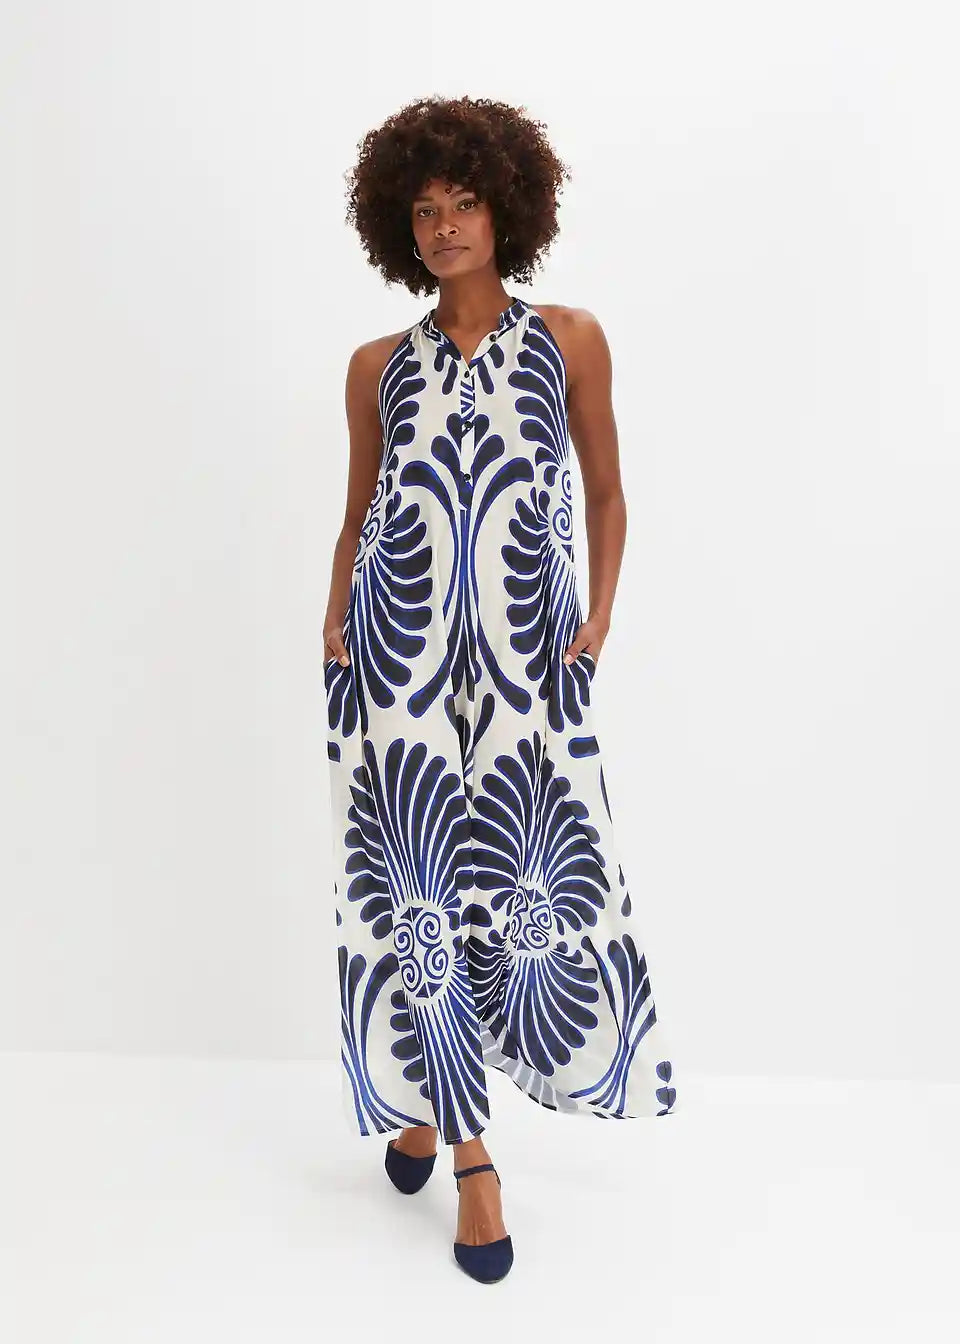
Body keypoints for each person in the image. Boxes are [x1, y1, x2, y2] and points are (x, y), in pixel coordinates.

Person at [323, 95, 678, 1284]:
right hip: (398, 666)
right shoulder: (376, 367)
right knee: (422, 892)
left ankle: (428, 1111)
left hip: (531, 669)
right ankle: (473, 1159)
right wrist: (333, 622)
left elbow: (607, 490)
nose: (443, 226)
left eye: (463, 202)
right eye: (423, 210)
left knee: (523, 889)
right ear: (398, 226)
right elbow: (360, 515)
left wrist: (600, 616)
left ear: (506, 207)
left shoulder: (571, 339)